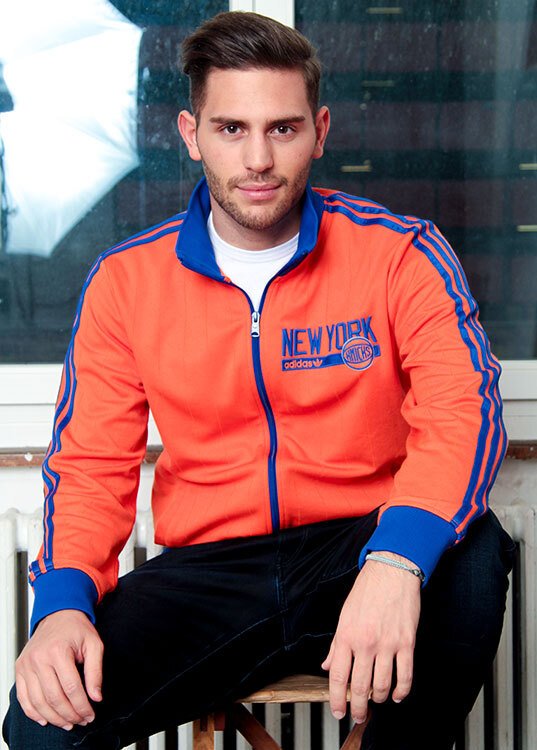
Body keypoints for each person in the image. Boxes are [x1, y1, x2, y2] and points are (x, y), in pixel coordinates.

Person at [3, 11, 514, 750]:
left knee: (473, 553)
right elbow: (89, 464)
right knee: (41, 724)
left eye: (283, 128)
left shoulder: (401, 254)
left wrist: (397, 558)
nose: (258, 159)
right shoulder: (125, 281)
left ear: (320, 131)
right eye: (231, 128)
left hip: (357, 547)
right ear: (191, 134)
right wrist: (59, 607)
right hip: (210, 572)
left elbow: (464, 411)